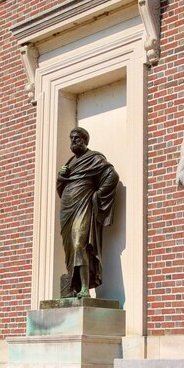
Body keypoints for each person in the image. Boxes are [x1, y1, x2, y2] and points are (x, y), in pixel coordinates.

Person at [56, 127, 119, 298]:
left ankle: (85, 288)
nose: (73, 142)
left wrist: (97, 196)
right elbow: (63, 188)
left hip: (83, 206)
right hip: (67, 209)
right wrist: (61, 178)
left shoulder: (94, 159)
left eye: (77, 138)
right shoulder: (69, 164)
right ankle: (73, 287)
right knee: (69, 249)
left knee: (79, 245)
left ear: (85, 141)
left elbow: (112, 176)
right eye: (71, 139)